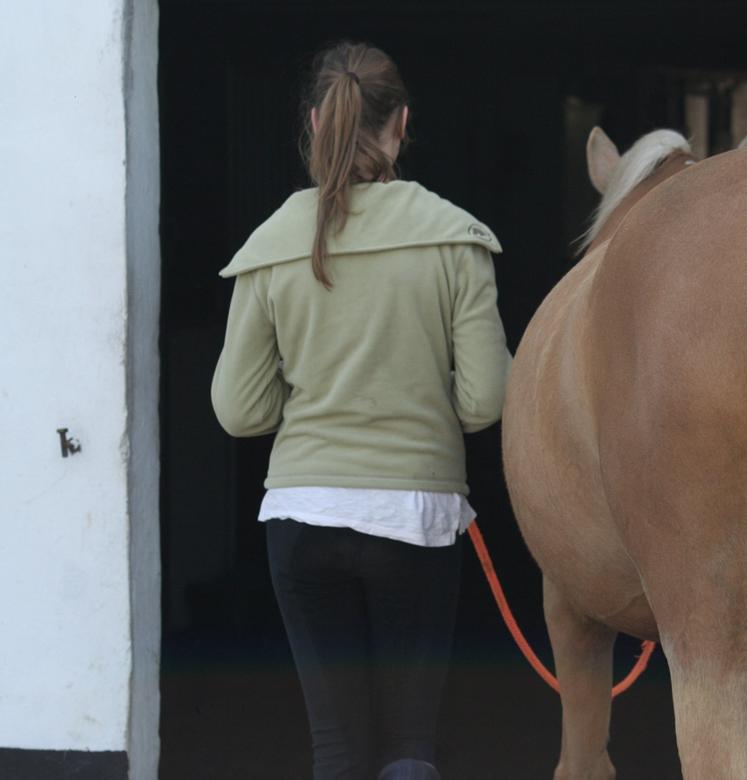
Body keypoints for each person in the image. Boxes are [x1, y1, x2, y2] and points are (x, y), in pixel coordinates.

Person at [211, 41, 511, 780]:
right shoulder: (453, 236)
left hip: (302, 515)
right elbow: (484, 402)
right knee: (409, 746)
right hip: (414, 516)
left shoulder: (273, 244)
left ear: (316, 122)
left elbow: (239, 410)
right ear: (402, 123)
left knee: (337, 751)